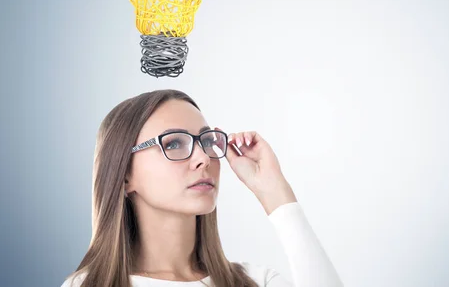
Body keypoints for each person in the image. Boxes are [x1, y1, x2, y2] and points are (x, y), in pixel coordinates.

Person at [61, 89, 343, 287]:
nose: (203, 158)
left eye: (207, 141)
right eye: (172, 143)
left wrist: (274, 191)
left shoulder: (256, 281)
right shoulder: (86, 285)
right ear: (124, 176)